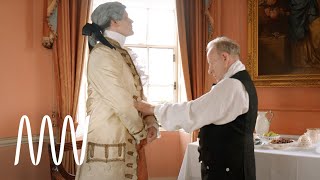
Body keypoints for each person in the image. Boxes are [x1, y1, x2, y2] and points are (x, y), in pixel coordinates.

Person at [134, 37, 258, 180]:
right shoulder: (241, 81)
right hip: (235, 167)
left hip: (227, 172)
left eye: (211, 63)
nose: (210, 70)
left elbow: (192, 112)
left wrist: (152, 109)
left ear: (225, 57)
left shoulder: (231, 86)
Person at [76, 2, 159, 180]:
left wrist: (151, 123)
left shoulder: (120, 53)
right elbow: (121, 102)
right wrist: (141, 133)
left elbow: (138, 99)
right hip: (109, 149)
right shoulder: (102, 54)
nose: (132, 21)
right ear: (114, 22)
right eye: (127, 18)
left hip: (126, 148)